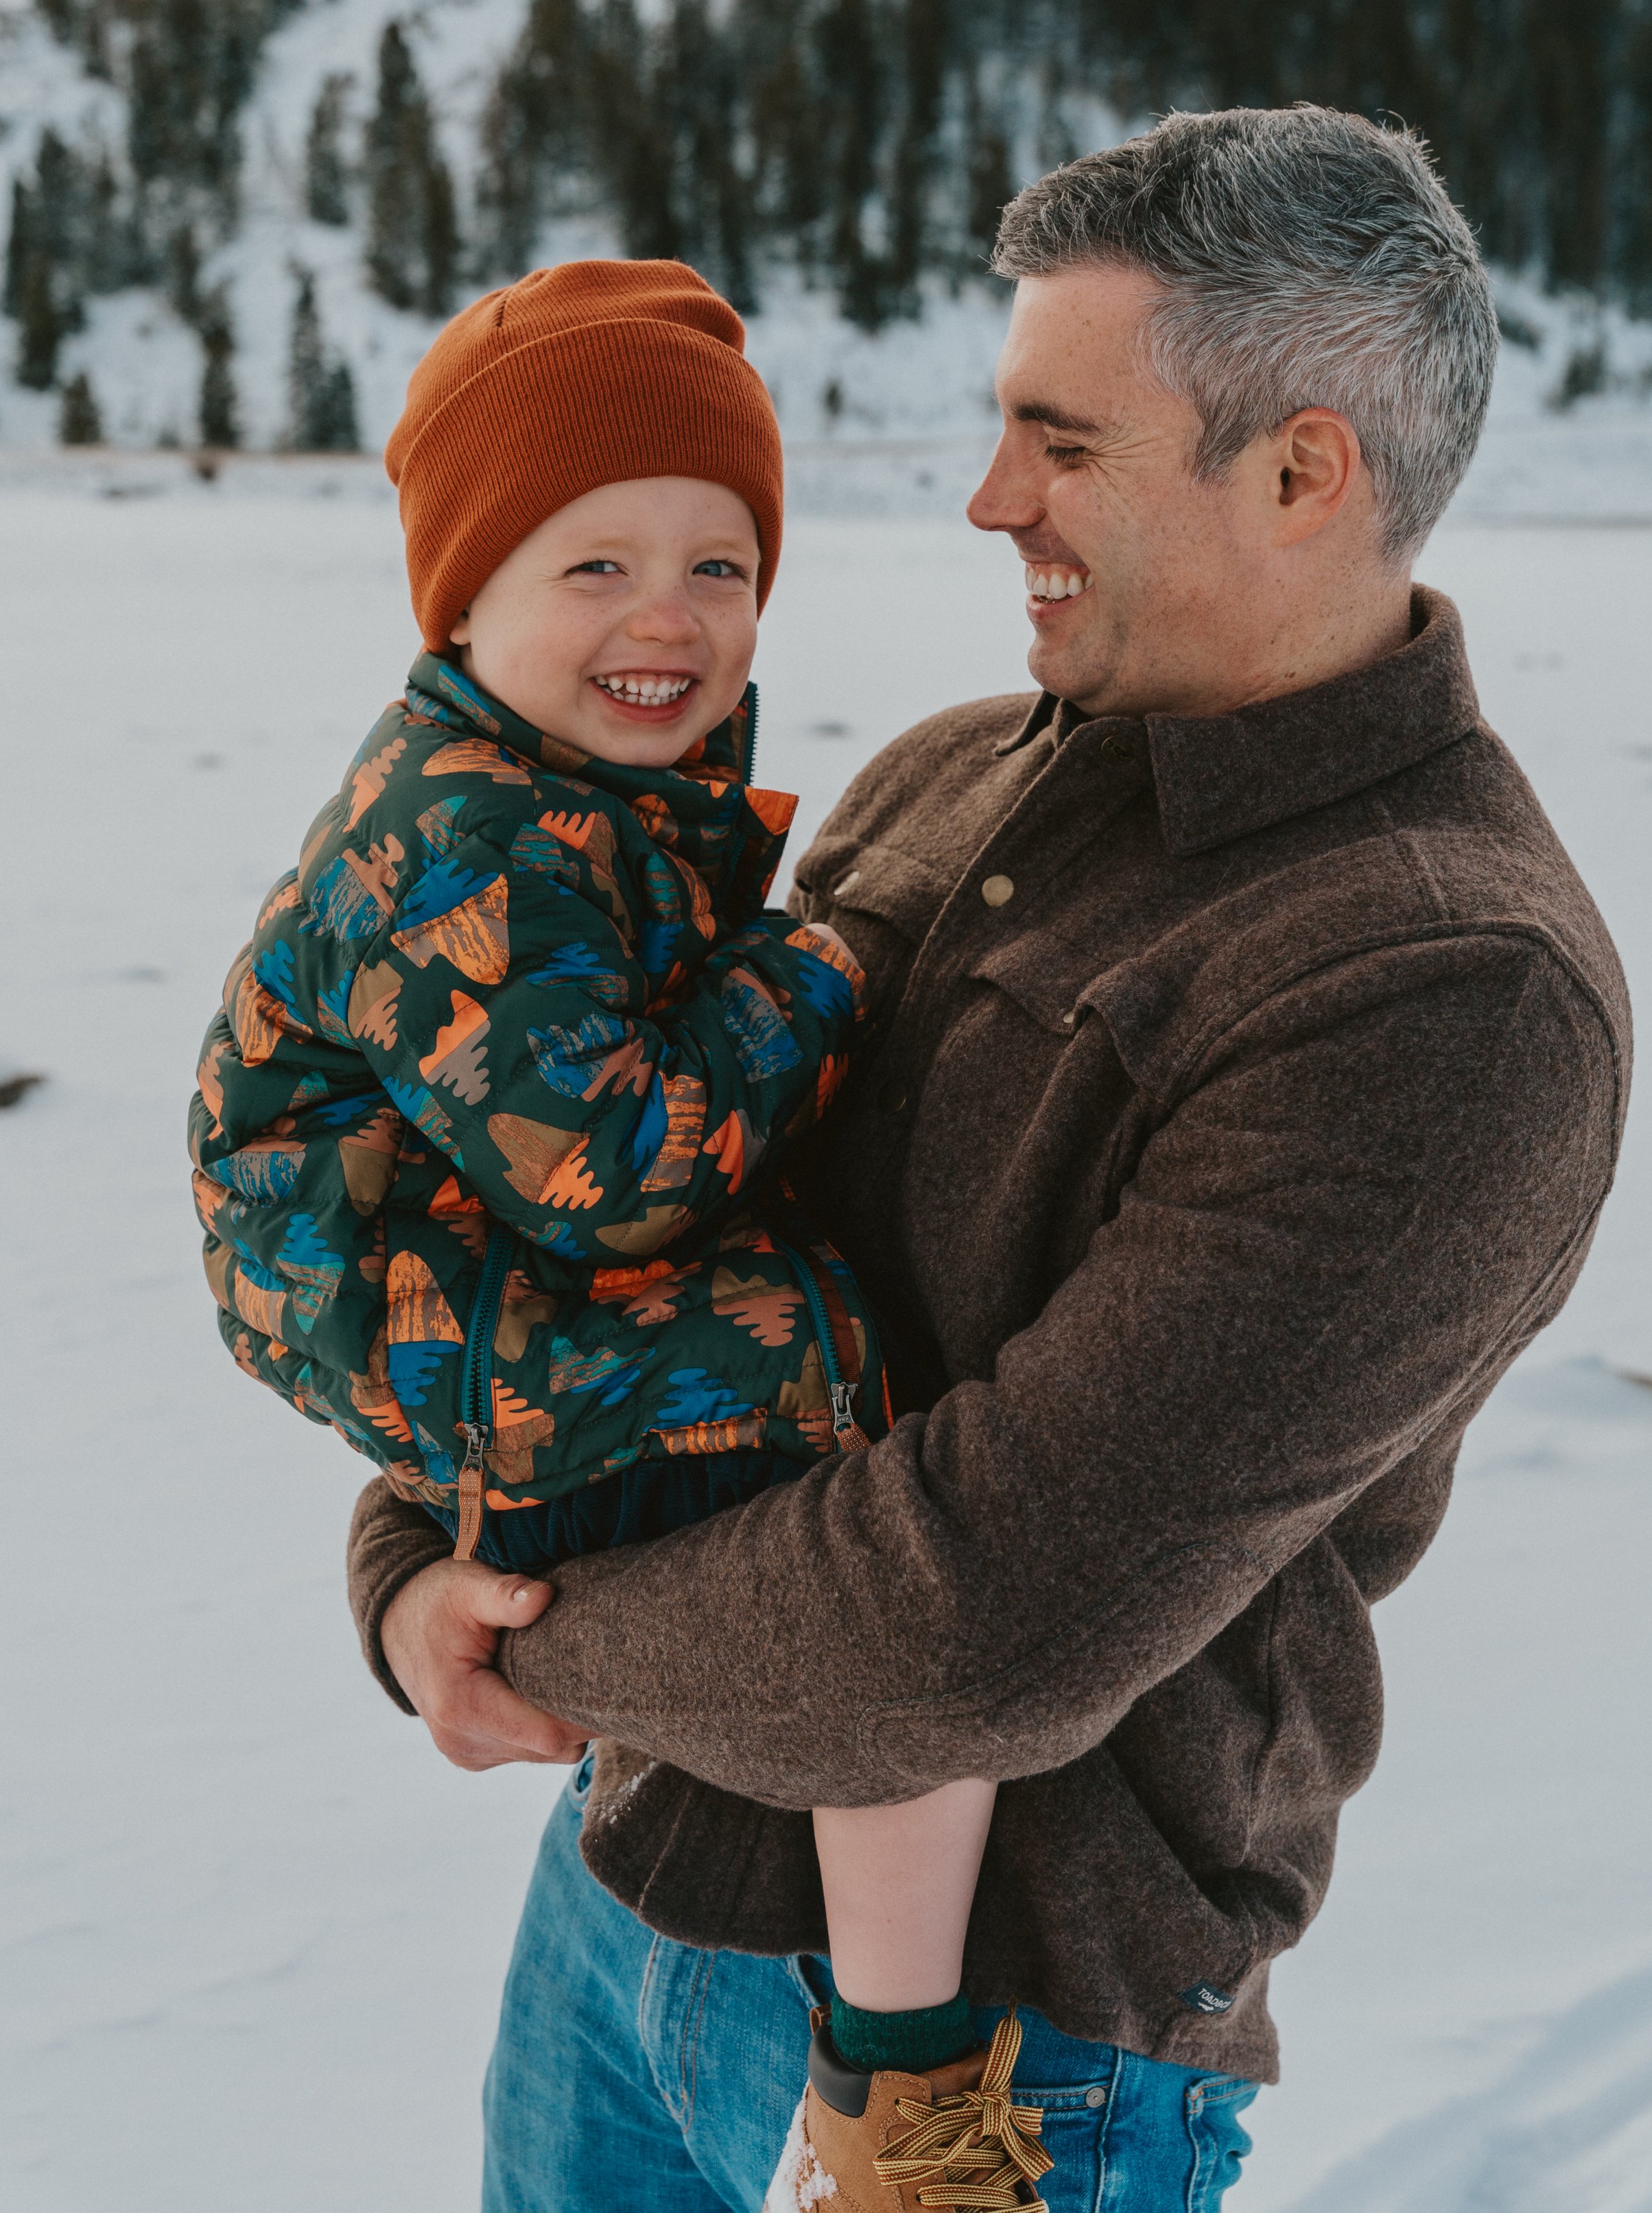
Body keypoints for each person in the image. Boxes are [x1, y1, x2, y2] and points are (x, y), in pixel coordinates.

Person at [352, 107, 1631, 2213]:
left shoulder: (1444, 988)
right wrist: (413, 1557)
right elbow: (629, 1241)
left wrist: (523, 1642)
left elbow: (977, 1619)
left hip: (1004, 2067)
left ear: (1300, 471)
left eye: (1064, 442)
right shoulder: (946, 777)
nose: (985, 501)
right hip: (634, 1891)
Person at [189, 258, 1026, 2192]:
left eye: (719, 566)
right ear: (461, 599)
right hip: (459, 1323)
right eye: (594, 567)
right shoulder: (467, 842)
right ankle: (906, 2087)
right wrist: (824, 969)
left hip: (477, 1310)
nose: (670, 618)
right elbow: (619, 1170)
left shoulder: (576, 794)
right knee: (881, 1532)